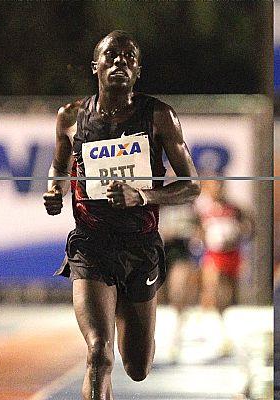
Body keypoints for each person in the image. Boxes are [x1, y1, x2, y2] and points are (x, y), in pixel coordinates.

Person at [43, 30, 200, 400]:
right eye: (110, 55)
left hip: (140, 246)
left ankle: (123, 307)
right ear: (94, 66)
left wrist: (141, 196)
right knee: (98, 352)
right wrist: (54, 192)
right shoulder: (70, 117)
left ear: (138, 70)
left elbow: (192, 187)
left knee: (137, 367)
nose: (119, 62)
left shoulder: (160, 116)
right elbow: (58, 169)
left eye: (128, 57)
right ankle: (103, 312)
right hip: (90, 246)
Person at [195, 179, 251, 312]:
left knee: (231, 289)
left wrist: (240, 231)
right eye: (213, 186)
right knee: (210, 287)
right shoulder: (203, 209)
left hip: (232, 252)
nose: (217, 189)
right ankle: (207, 316)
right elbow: (198, 230)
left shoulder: (234, 208)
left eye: (219, 186)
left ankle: (228, 313)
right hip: (214, 253)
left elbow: (247, 227)